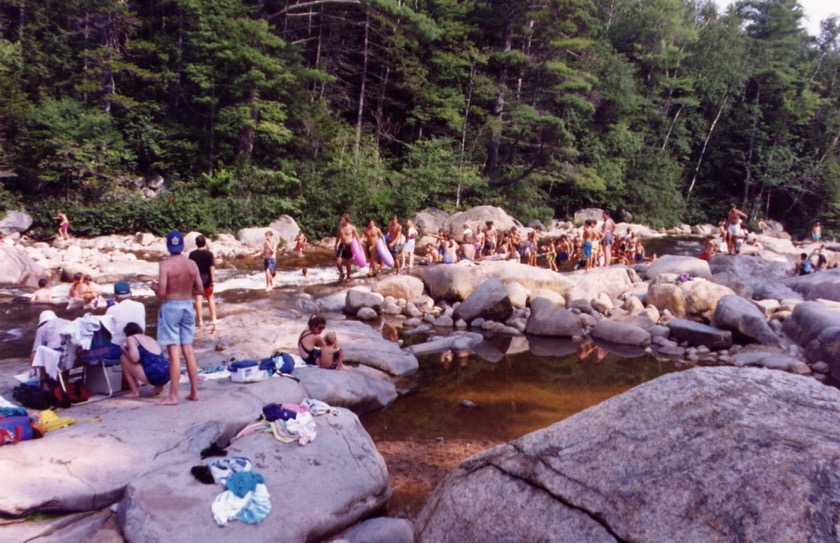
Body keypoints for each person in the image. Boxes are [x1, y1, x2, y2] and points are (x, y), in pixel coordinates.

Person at [150, 230, 204, 406]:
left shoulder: (165, 265)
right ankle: (194, 392)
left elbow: (163, 293)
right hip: (188, 306)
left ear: (168, 245)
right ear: (182, 246)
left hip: (171, 307)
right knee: (188, 349)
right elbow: (201, 290)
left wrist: (154, 289)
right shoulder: (192, 264)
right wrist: (187, 292)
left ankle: (173, 395)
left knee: (174, 352)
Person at [119, 322, 170, 398]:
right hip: (167, 374)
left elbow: (134, 359)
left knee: (123, 357)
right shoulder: (149, 338)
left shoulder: (131, 338)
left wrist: (123, 350)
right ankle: (159, 386)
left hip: (153, 376)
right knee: (153, 363)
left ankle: (135, 392)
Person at [106, 281, 146, 359]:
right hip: (139, 346)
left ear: (114, 295)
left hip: (118, 348)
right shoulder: (141, 306)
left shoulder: (111, 309)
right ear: (131, 293)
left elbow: (108, 332)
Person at [29, 310, 71, 383]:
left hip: (59, 360)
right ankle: (65, 381)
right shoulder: (69, 322)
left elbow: (34, 354)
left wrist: (33, 369)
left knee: (41, 353)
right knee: (68, 349)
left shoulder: (42, 329)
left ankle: (45, 384)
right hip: (77, 358)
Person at [189, 235, 217, 327]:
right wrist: (213, 280)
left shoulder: (192, 254)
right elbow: (211, 268)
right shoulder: (209, 254)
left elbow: (190, 268)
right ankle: (213, 319)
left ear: (196, 243)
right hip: (207, 279)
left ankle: (200, 321)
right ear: (205, 243)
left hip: (196, 279)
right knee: (210, 298)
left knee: (198, 300)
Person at [335, 214, 360, 283]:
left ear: (346, 220)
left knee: (348, 262)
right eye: (341, 219)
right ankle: (342, 274)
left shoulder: (352, 228)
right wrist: (336, 244)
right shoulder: (340, 227)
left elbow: (357, 237)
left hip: (349, 245)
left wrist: (359, 247)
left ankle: (348, 276)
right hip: (342, 245)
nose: (341, 221)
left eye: (343, 219)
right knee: (338, 261)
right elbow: (338, 236)